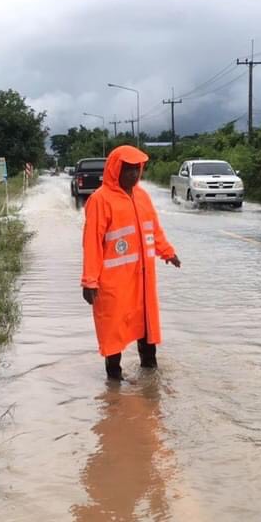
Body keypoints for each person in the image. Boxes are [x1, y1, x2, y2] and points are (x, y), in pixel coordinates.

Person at [81, 145, 181, 381]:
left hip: (143, 279)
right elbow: (92, 243)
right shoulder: (100, 200)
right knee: (113, 329)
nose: (133, 174)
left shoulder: (142, 196)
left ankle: (151, 378)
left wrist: (167, 252)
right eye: (128, 170)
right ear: (115, 170)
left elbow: (153, 229)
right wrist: (89, 281)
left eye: (137, 169)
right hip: (114, 283)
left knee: (146, 326)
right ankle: (114, 381)